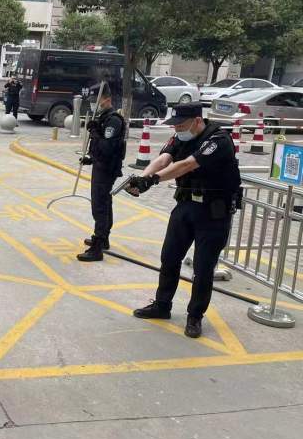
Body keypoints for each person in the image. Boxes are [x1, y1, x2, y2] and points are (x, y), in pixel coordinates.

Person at [126, 102, 241, 338]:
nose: (177, 129)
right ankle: (162, 305)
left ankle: (195, 316)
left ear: (197, 121)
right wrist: (142, 178)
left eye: (181, 125)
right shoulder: (180, 136)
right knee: (169, 257)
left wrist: (154, 180)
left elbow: (187, 165)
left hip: (213, 212)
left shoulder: (218, 140)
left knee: (203, 268)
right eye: (175, 125)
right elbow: (164, 159)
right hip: (186, 205)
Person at [77, 84, 126, 261]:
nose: (94, 104)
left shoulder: (113, 120)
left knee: (100, 206)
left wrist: (95, 132)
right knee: (103, 203)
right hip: (101, 166)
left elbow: (107, 147)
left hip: (107, 169)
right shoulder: (103, 117)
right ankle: (103, 239)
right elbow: (100, 149)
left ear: (107, 99)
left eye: (96, 100)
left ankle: (97, 248)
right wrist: (91, 158)